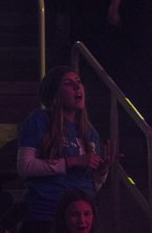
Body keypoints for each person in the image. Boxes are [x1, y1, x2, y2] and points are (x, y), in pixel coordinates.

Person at [17, 66, 121, 233]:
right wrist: (72, 162)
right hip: (45, 216)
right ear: (55, 94)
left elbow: (91, 185)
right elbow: (25, 167)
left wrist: (103, 169)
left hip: (80, 220)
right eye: (68, 83)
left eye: (78, 82)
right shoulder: (39, 120)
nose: (77, 87)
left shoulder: (90, 132)